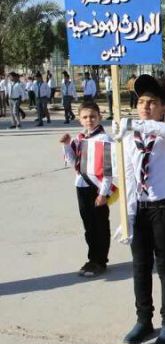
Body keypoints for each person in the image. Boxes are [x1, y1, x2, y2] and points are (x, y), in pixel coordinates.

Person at [115, 74, 165, 344]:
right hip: (140, 208)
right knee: (140, 267)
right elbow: (129, 178)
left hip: (163, 208)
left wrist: (132, 124)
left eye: (152, 102)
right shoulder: (129, 137)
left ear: (164, 107)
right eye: (141, 102)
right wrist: (127, 216)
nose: (145, 106)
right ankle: (144, 320)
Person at [60, 101, 113, 277]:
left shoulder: (104, 139)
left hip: (97, 187)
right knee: (89, 225)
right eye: (85, 117)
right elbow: (72, 161)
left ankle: (101, 261)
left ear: (100, 117)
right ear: (79, 119)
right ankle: (92, 259)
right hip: (81, 186)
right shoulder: (80, 138)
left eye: (92, 116)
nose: (89, 120)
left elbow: (108, 169)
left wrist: (103, 193)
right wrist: (66, 145)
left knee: (100, 224)